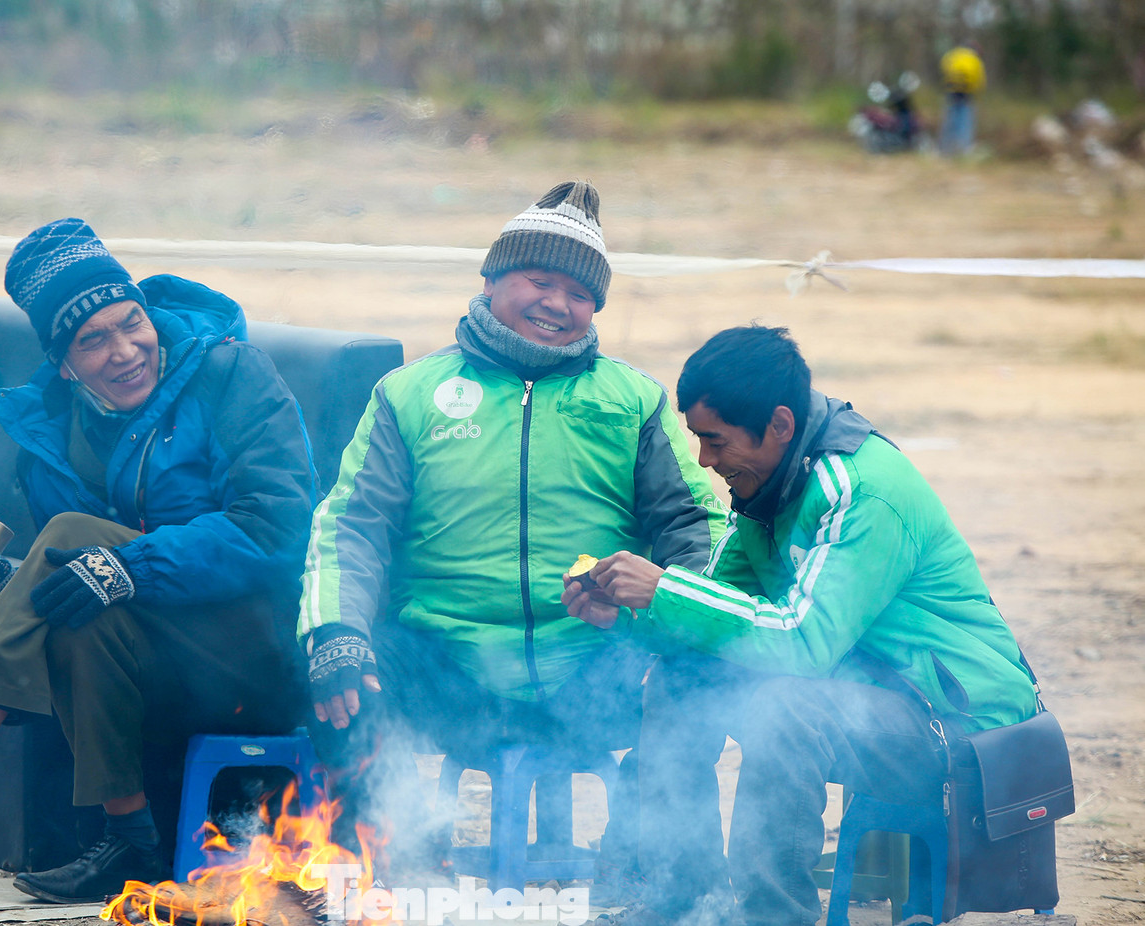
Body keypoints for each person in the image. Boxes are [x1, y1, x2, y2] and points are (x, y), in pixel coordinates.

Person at [0, 218, 318, 903]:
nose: (126, 350)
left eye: (133, 322)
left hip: (261, 647)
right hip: (160, 656)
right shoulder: (52, 437)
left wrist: (129, 567)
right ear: (63, 361)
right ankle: (130, 841)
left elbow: (277, 527)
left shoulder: (231, 374)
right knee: (76, 600)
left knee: (77, 536)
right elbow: (68, 581)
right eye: (93, 340)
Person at [298, 180, 726, 882]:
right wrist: (335, 632)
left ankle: (653, 867)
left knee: (702, 669)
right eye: (539, 279)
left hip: (592, 672)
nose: (558, 305)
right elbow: (351, 527)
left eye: (580, 294)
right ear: (492, 279)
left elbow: (695, 528)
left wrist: (667, 611)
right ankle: (394, 867)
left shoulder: (631, 398)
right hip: (447, 675)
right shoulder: (410, 395)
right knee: (334, 659)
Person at [565, 325, 1038, 926]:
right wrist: (626, 616)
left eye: (715, 441)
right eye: (698, 442)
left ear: (780, 426)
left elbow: (802, 641)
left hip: (959, 723)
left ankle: (774, 916)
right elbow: (717, 612)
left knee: (786, 710)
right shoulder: (768, 486)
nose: (706, 461)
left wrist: (666, 587)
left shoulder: (862, 491)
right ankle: (685, 900)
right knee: (682, 676)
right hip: (866, 695)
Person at [940, 42, 986, 156]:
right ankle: (963, 148)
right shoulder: (975, 60)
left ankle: (945, 148)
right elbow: (979, 80)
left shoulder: (953, 55)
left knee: (950, 120)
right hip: (966, 94)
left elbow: (944, 68)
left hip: (951, 92)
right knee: (965, 121)